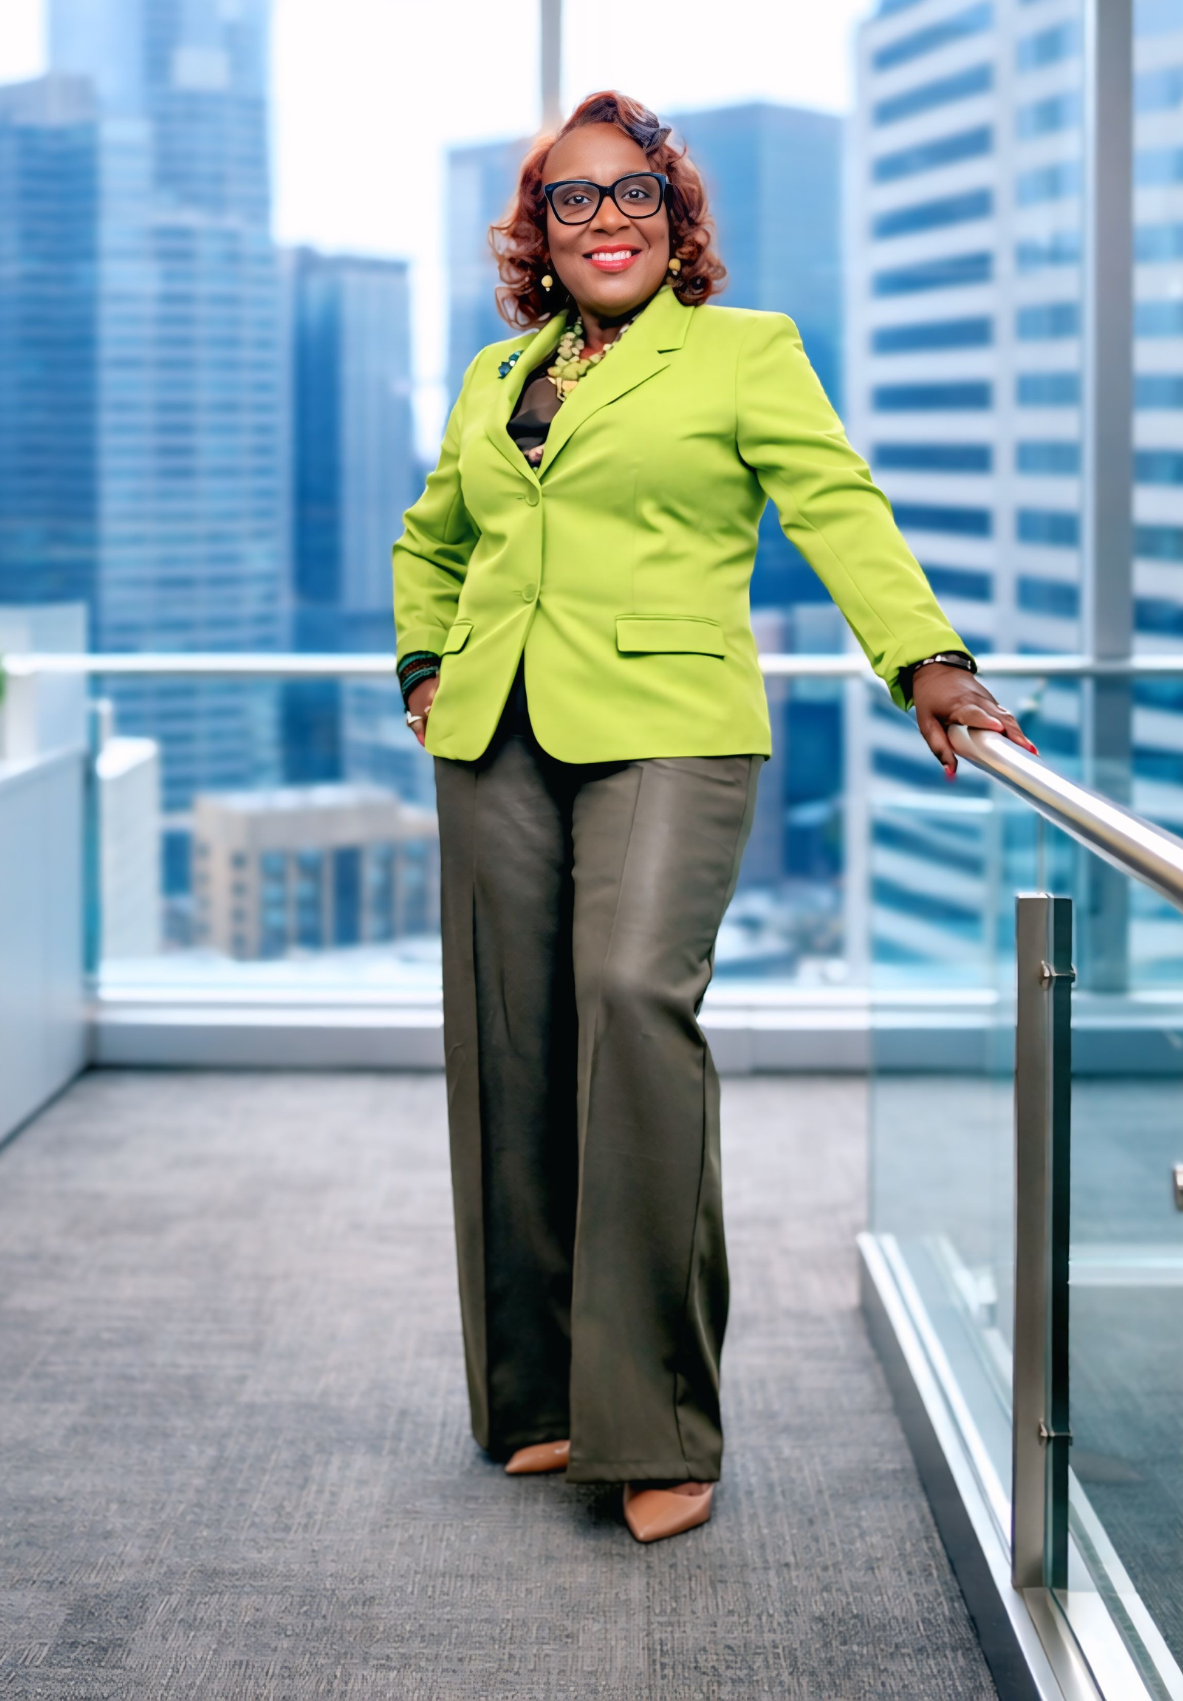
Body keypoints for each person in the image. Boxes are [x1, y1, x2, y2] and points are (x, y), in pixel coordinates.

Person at [392, 90, 1034, 1545]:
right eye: (571, 200)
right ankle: (541, 1394)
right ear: (539, 237)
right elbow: (434, 535)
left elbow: (837, 506)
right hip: (494, 732)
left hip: (672, 729)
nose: (603, 219)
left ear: (673, 220)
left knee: (631, 1004)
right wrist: (425, 663)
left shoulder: (746, 353)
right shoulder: (498, 374)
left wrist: (924, 659)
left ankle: (660, 1420)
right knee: (510, 1047)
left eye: (633, 193)